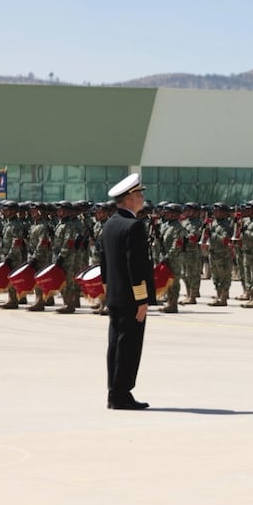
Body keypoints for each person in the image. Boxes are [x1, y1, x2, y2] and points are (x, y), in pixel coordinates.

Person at [100, 173, 155, 410]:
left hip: (115, 295)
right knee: (129, 346)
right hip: (131, 298)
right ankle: (121, 394)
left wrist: (107, 289)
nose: (142, 198)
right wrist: (142, 300)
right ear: (129, 198)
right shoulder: (134, 227)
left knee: (115, 344)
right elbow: (137, 267)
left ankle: (115, 390)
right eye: (139, 194)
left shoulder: (110, 224)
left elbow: (103, 262)